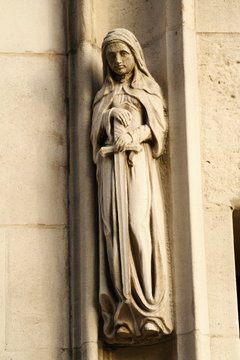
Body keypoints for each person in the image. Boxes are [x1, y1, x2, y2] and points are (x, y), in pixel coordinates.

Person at [91, 28, 173, 345]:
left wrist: (136, 134)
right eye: (111, 55)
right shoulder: (102, 95)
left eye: (123, 53)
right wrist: (110, 114)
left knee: (138, 226)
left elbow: (157, 127)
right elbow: (94, 134)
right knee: (113, 231)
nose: (117, 60)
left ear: (135, 55)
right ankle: (121, 312)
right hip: (110, 169)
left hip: (137, 166)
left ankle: (150, 308)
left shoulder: (148, 88)